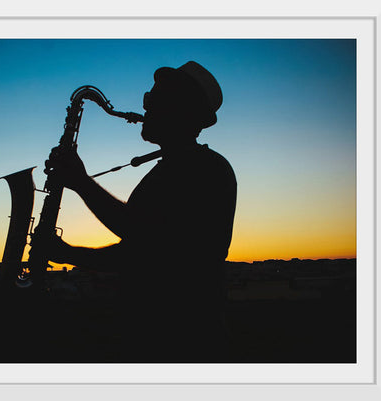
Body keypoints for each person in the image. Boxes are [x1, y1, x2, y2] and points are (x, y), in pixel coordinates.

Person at [43, 61, 237, 362]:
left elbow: (139, 233)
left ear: (181, 112)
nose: (145, 107)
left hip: (183, 341)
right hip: (161, 337)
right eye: (148, 99)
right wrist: (68, 253)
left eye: (154, 101)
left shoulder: (204, 170)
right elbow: (140, 251)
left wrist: (80, 183)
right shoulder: (175, 169)